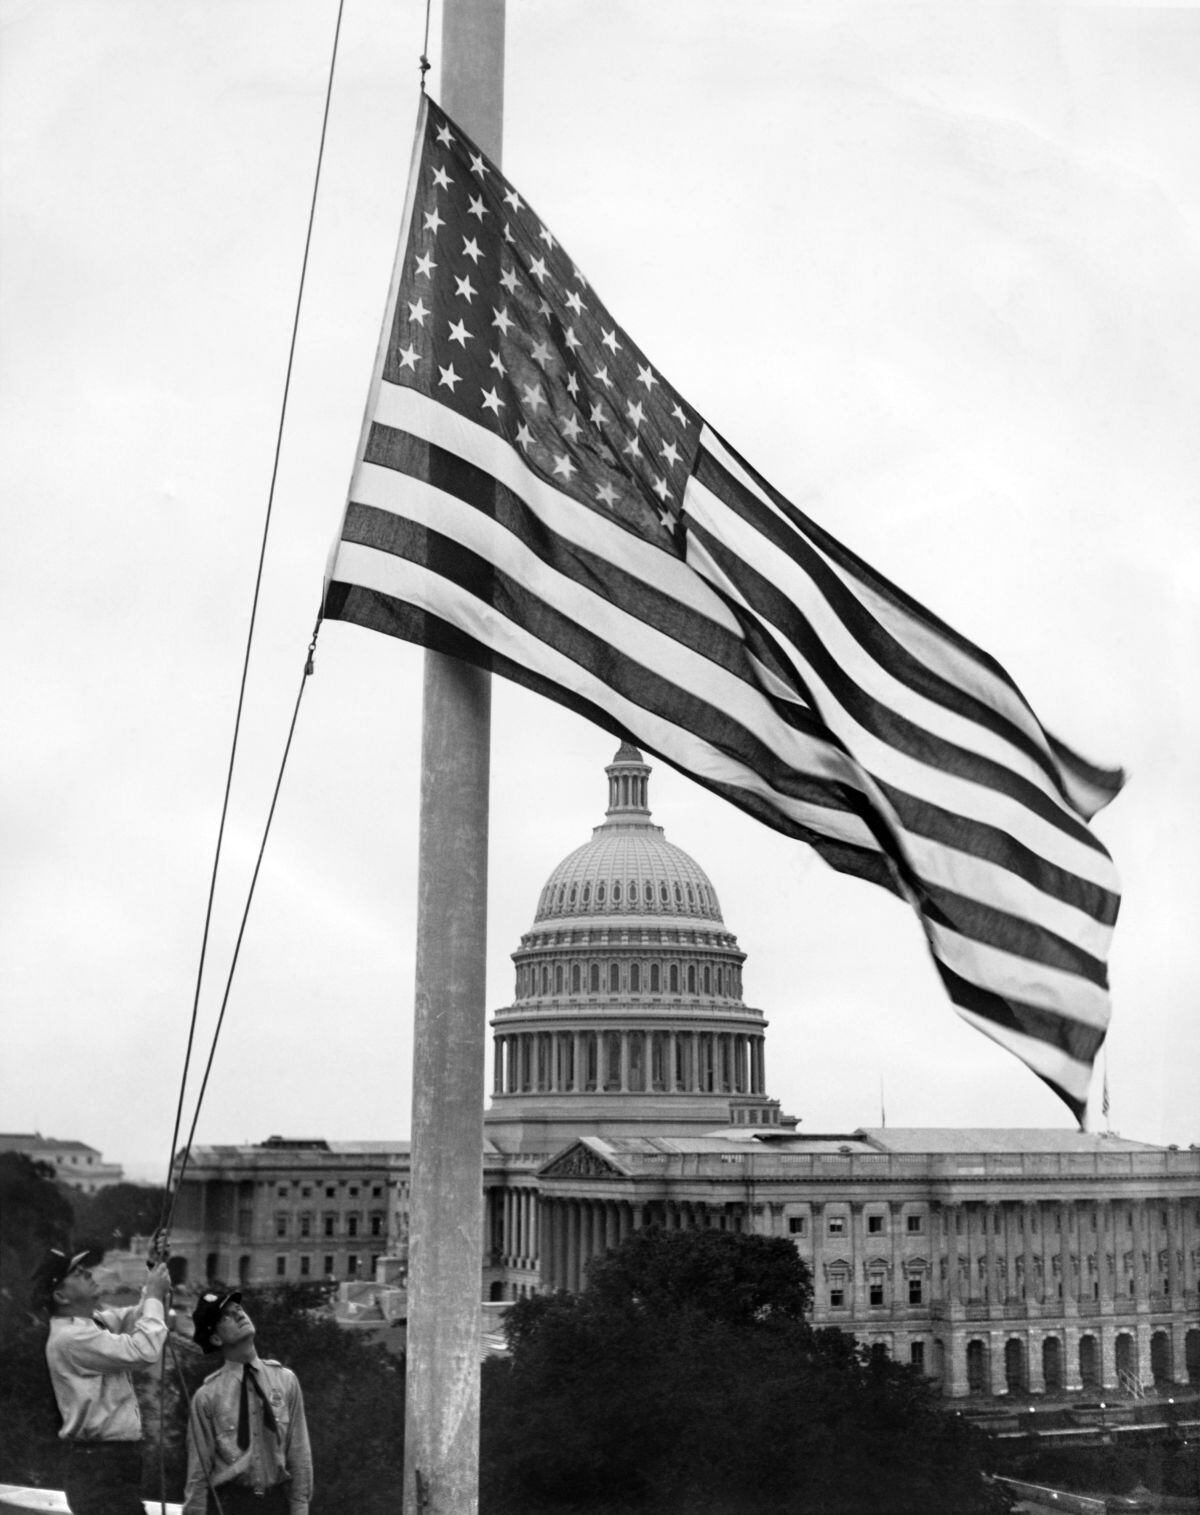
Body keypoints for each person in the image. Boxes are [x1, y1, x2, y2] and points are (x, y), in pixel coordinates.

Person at [34, 1245, 172, 1515]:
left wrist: (153, 1270)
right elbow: (145, 1351)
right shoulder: (71, 1338)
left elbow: (138, 1317)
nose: (85, 1271)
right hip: (99, 1466)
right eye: (74, 1273)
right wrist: (154, 1293)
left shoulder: (89, 1325)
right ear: (60, 1295)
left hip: (105, 1463)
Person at [183, 1289, 312, 1515]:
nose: (239, 1315)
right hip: (229, 1504)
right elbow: (198, 1472)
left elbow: (299, 1454)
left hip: (275, 1504)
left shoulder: (285, 1381)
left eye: (239, 1309)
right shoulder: (208, 1396)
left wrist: (299, 1508)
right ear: (215, 1338)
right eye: (227, 1316)